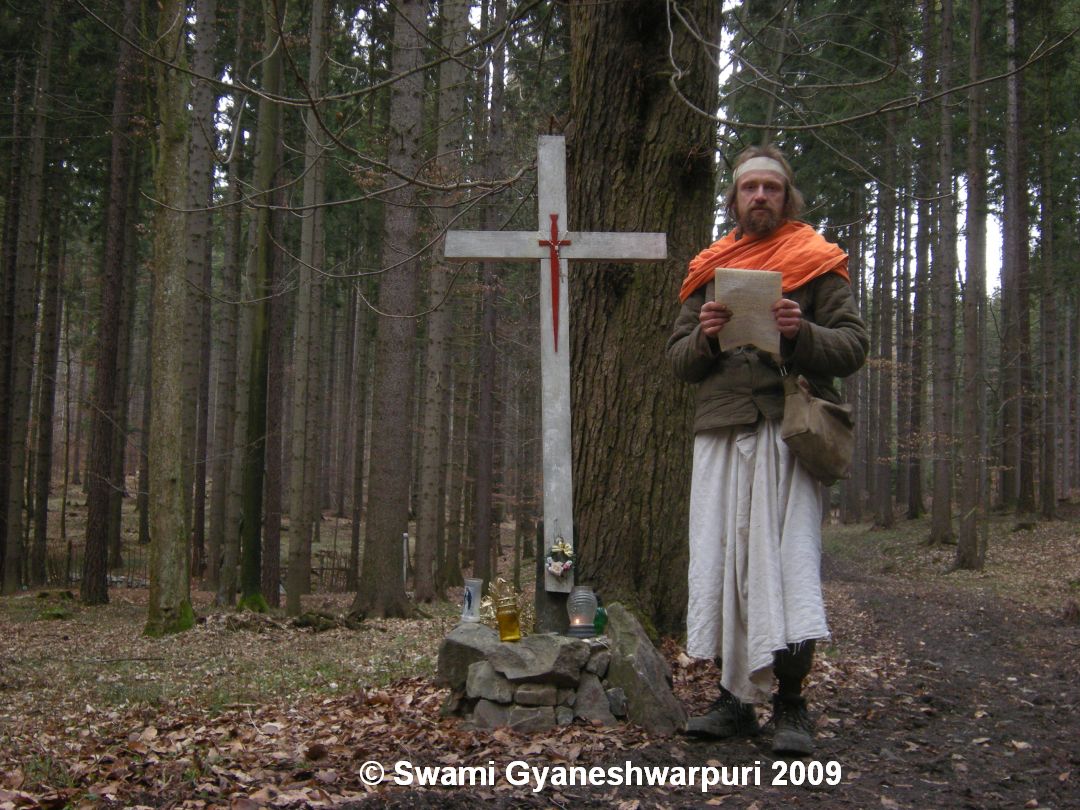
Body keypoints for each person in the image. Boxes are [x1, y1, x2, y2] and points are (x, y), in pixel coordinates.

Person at [667, 145, 868, 755]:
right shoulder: (709, 268)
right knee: (727, 564)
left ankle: (791, 706)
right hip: (723, 430)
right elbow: (677, 360)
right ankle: (733, 702)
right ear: (734, 198)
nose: (759, 197)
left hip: (788, 432)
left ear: (787, 197)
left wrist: (798, 331)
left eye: (771, 189)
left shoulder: (817, 261)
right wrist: (703, 338)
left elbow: (853, 346)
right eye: (749, 188)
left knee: (786, 567)